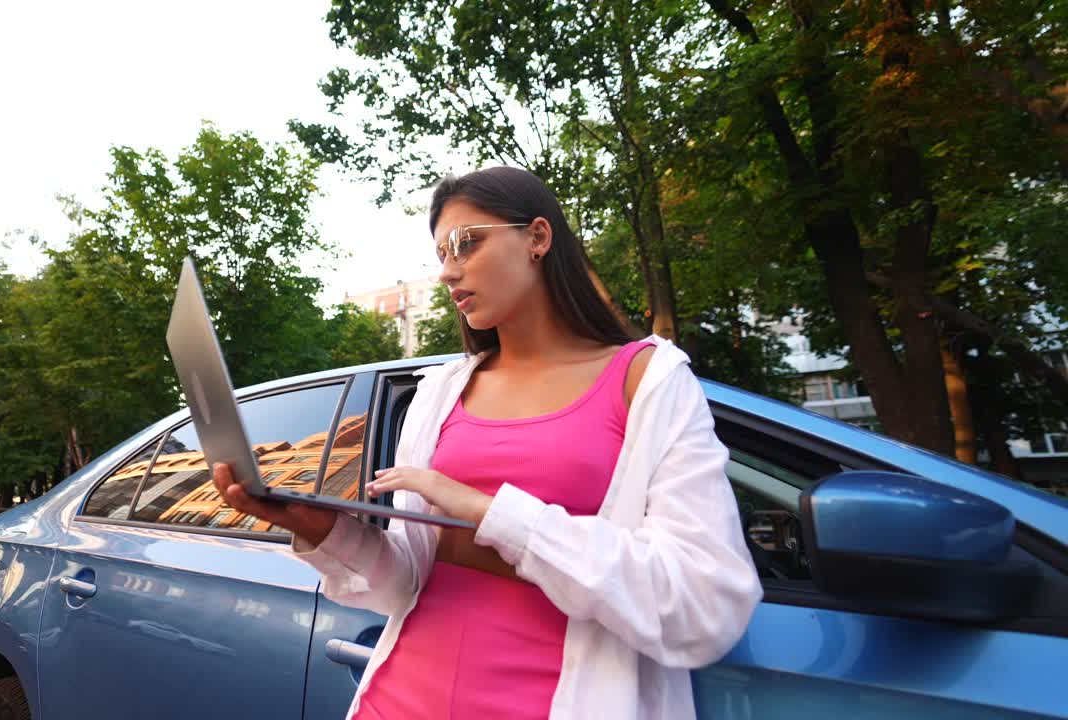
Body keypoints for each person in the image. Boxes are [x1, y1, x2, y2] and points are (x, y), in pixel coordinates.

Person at [212, 166, 763, 719]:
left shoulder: (648, 379)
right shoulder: (440, 393)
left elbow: (706, 603)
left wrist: (489, 511)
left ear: (538, 238)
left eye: (465, 244)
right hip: (398, 700)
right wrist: (319, 529)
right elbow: (405, 583)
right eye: (442, 257)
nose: (450, 273)